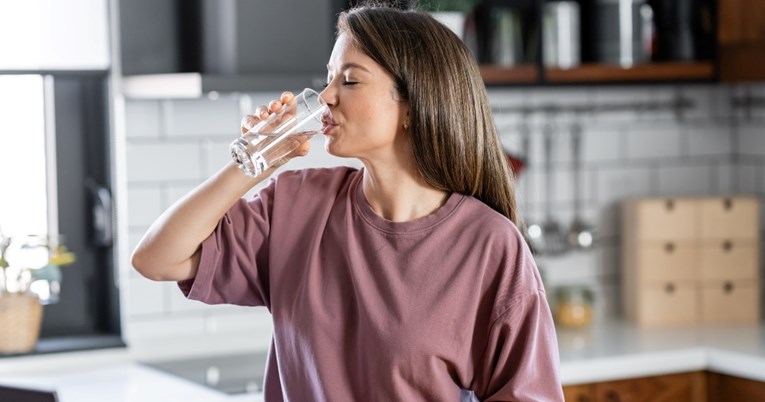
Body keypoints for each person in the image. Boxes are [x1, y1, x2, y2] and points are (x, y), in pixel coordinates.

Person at [131, 1, 564, 401]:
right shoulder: (297, 205)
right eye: (329, 77)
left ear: (413, 105)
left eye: (350, 80)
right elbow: (156, 259)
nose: (325, 96)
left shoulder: (489, 245)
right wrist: (254, 161)